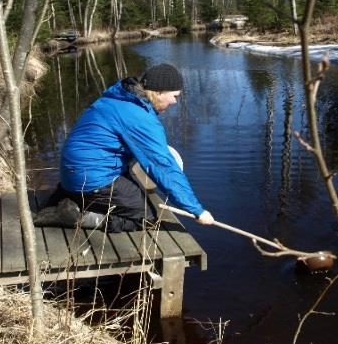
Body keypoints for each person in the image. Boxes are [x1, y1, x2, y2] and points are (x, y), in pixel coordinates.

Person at [35, 63, 214, 232]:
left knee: (132, 182)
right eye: (174, 96)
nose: (175, 102)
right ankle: (78, 218)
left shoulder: (116, 99)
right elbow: (162, 166)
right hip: (91, 180)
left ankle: (65, 199)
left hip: (71, 176)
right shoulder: (138, 117)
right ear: (159, 92)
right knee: (147, 218)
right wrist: (196, 210)